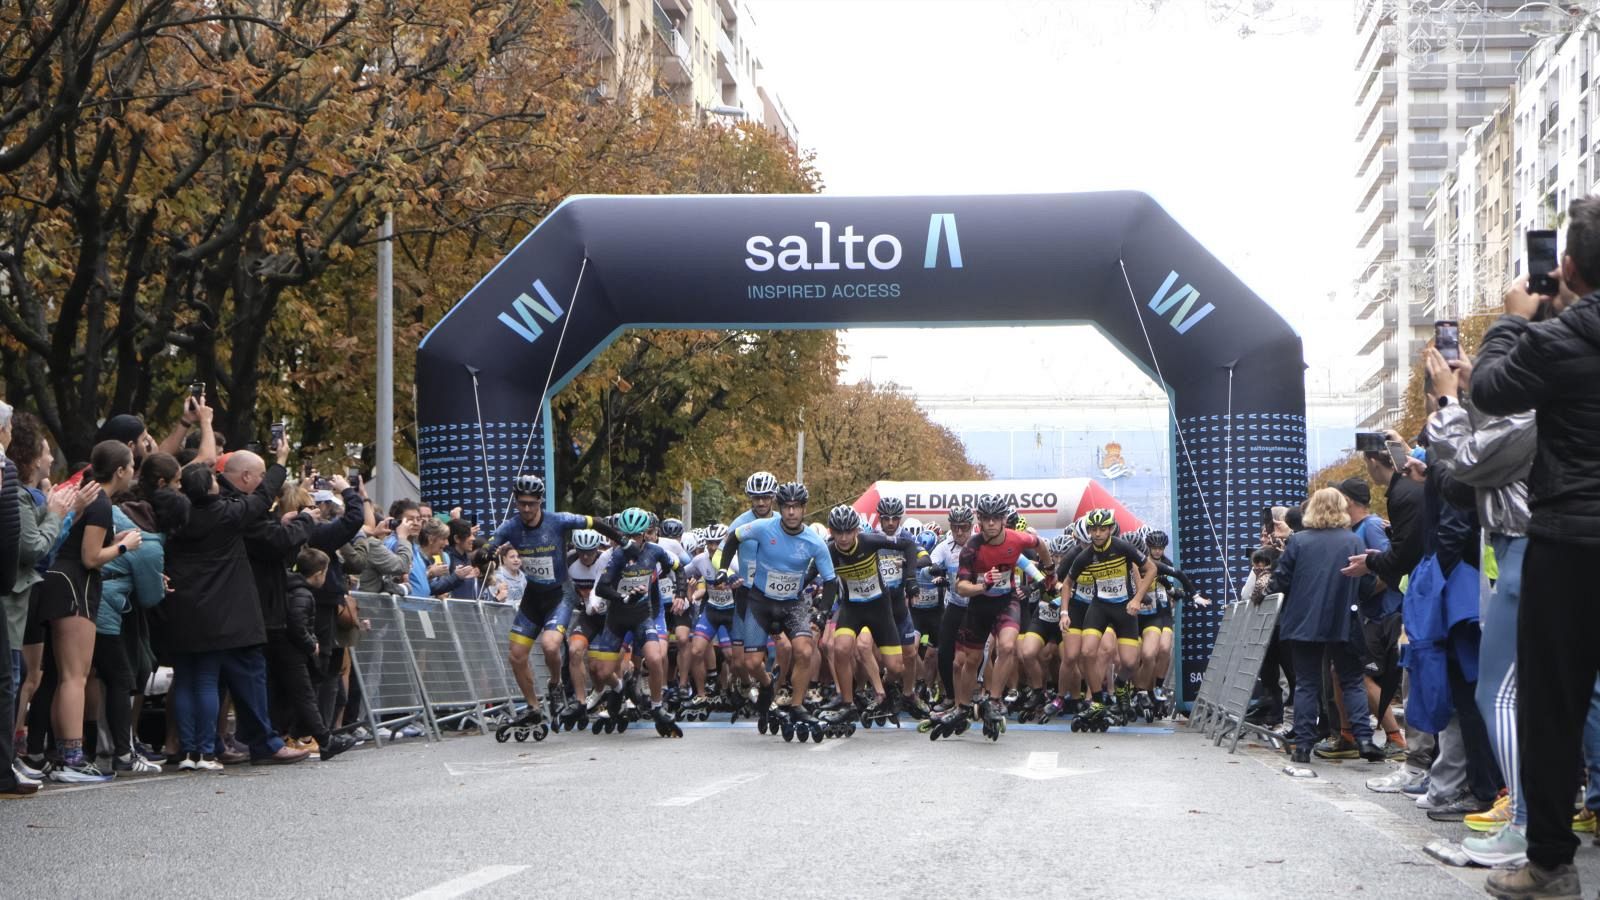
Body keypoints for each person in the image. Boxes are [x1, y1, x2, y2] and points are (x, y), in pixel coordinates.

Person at [1471, 195, 1600, 900]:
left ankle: (1550, 865)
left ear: (1568, 268)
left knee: (1552, 706)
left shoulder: (1553, 342)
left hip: (1569, 544)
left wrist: (1511, 324)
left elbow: (1489, 392)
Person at [1423, 345, 1537, 864]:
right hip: (1524, 552)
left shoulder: (1534, 412)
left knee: (1499, 694)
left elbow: (1468, 464)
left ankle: (1526, 824)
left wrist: (1450, 401)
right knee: (1574, 693)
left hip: (1526, 548)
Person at [165, 444, 308, 770]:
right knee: (212, 680)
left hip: (183, 607)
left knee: (188, 679)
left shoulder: (175, 516)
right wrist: (281, 461)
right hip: (224, 612)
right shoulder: (227, 514)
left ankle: (191, 749)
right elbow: (262, 497)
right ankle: (212, 749)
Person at [32, 441, 142, 782]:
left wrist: (113, 541)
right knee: (74, 676)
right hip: (74, 586)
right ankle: (72, 757)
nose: (135, 470)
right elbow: (90, 557)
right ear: (120, 470)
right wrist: (124, 546)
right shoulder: (101, 502)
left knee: (56, 674)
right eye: (132, 465)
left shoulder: (88, 493)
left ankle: (51, 752)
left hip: (58, 582)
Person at [484, 474, 619, 730]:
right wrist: (483, 552)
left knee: (550, 644)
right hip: (533, 598)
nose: (526, 509)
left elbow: (595, 522)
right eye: (521, 503)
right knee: (516, 655)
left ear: (539, 502)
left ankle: (555, 684)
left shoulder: (557, 521)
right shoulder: (511, 527)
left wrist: (621, 541)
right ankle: (534, 708)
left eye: (531, 504)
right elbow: (488, 545)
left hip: (560, 594)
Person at [713, 481, 835, 740]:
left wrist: (823, 613)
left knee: (804, 650)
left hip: (793, 603)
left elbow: (831, 581)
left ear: (804, 509)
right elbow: (733, 538)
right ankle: (767, 685)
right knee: (751, 663)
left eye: (796, 507)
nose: (791, 512)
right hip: (760, 601)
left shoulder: (815, 542)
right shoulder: (761, 526)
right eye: (787, 507)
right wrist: (724, 568)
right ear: (781, 508)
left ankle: (797, 705)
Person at [1272, 488, 1385, 766]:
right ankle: (1364, 739)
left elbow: (1280, 582)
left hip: (1304, 621)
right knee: (1352, 680)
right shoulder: (1353, 542)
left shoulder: (1298, 542)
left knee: (1307, 684)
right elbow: (1367, 585)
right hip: (1344, 618)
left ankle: (1303, 745)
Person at [933, 493, 1050, 740]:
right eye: (986, 519)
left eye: (996, 519)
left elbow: (1040, 544)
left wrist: (1048, 569)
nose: (991, 524)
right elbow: (962, 587)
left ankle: (995, 699)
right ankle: (962, 707)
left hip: (1006, 602)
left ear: (1003, 519)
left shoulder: (1016, 539)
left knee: (1008, 646)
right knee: (970, 659)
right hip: (978, 604)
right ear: (980, 519)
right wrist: (983, 585)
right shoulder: (971, 548)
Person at [591, 508, 682, 738]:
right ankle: (621, 687)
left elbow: (679, 569)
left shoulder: (655, 552)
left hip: (643, 615)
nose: (632, 541)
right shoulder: (618, 556)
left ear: (645, 534)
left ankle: (657, 706)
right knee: (602, 671)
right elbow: (602, 587)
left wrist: (680, 593)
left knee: (655, 658)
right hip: (617, 618)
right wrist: (623, 597)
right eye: (627, 536)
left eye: (637, 536)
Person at [1061, 507, 1146, 731]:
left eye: (1102, 529)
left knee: (1129, 662)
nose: (1097, 533)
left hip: (1124, 609)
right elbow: (1067, 583)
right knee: (1087, 652)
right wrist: (1064, 612)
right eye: (1093, 529)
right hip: (1099, 607)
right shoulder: (1086, 555)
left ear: (1110, 529)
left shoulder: (1122, 547)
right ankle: (1097, 700)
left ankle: (1119, 685)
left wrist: (1137, 598)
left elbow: (1152, 568)